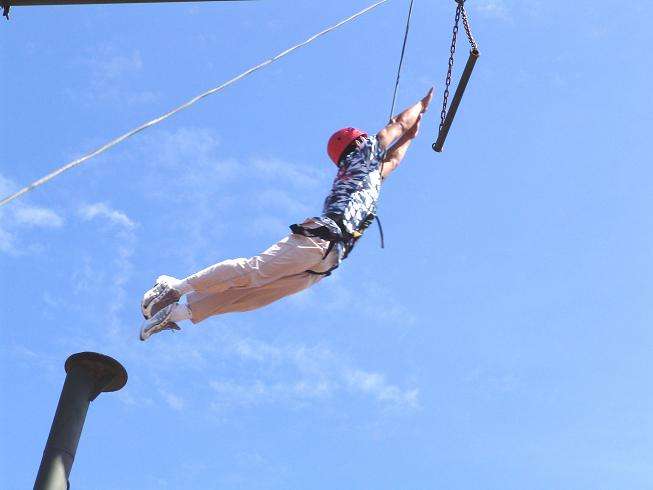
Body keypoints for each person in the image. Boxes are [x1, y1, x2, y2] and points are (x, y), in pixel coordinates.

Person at [139, 87, 434, 341]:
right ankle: (174, 286)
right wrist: (421, 105)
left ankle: (176, 313)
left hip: (326, 261)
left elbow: (394, 159)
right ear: (357, 143)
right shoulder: (362, 154)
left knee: (252, 296)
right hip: (320, 240)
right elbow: (395, 125)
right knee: (254, 271)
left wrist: (412, 134)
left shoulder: (367, 174)